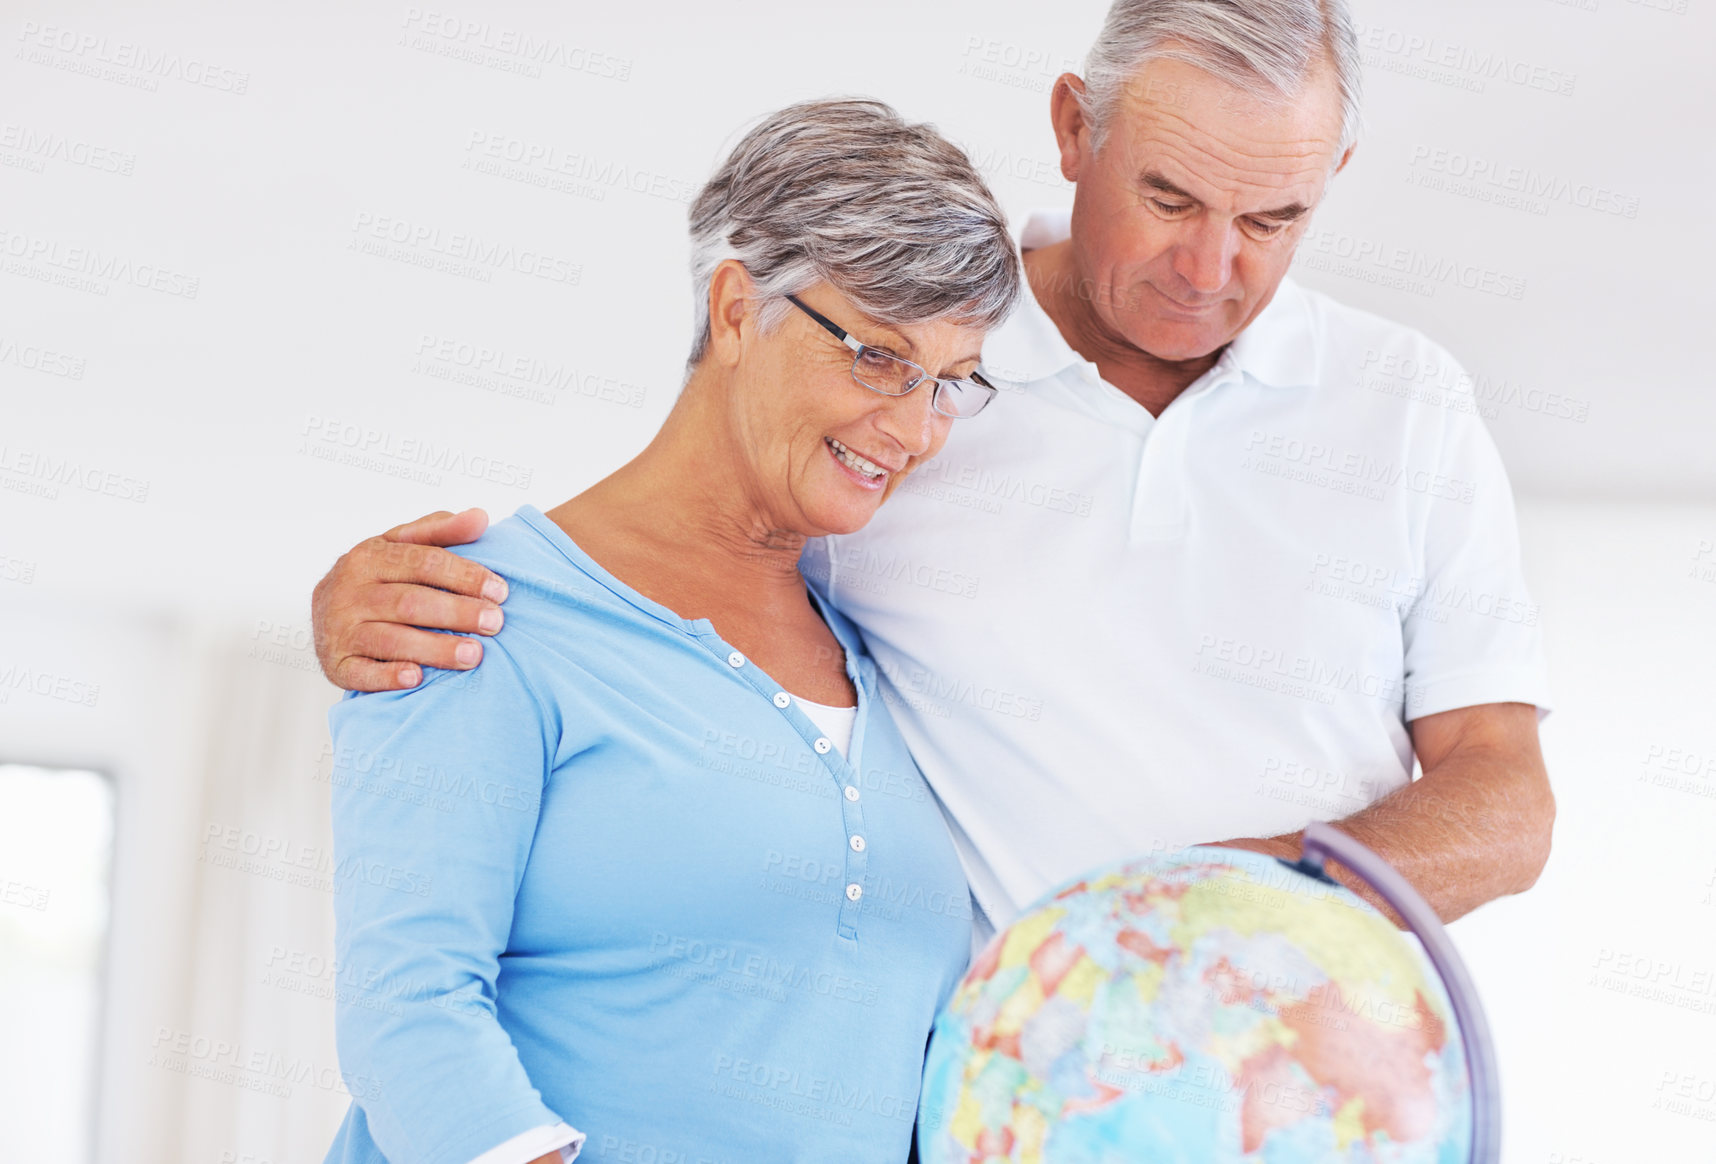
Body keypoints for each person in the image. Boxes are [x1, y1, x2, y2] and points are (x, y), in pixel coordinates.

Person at [311, 0, 1554, 941]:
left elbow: (1505, 800)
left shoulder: (1409, 405)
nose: (1210, 267)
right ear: (1074, 130)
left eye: (1272, 219)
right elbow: (668, 553)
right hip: (994, 1110)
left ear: (1330, 180)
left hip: (1332, 1100)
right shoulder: (905, 378)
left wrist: (1232, 903)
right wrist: (398, 600)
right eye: (1168, 197)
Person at [320, 98, 1021, 1164]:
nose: (916, 428)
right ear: (738, 309)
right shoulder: (477, 612)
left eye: (950, 382)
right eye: (880, 358)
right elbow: (407, 1012)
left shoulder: (884, 649)